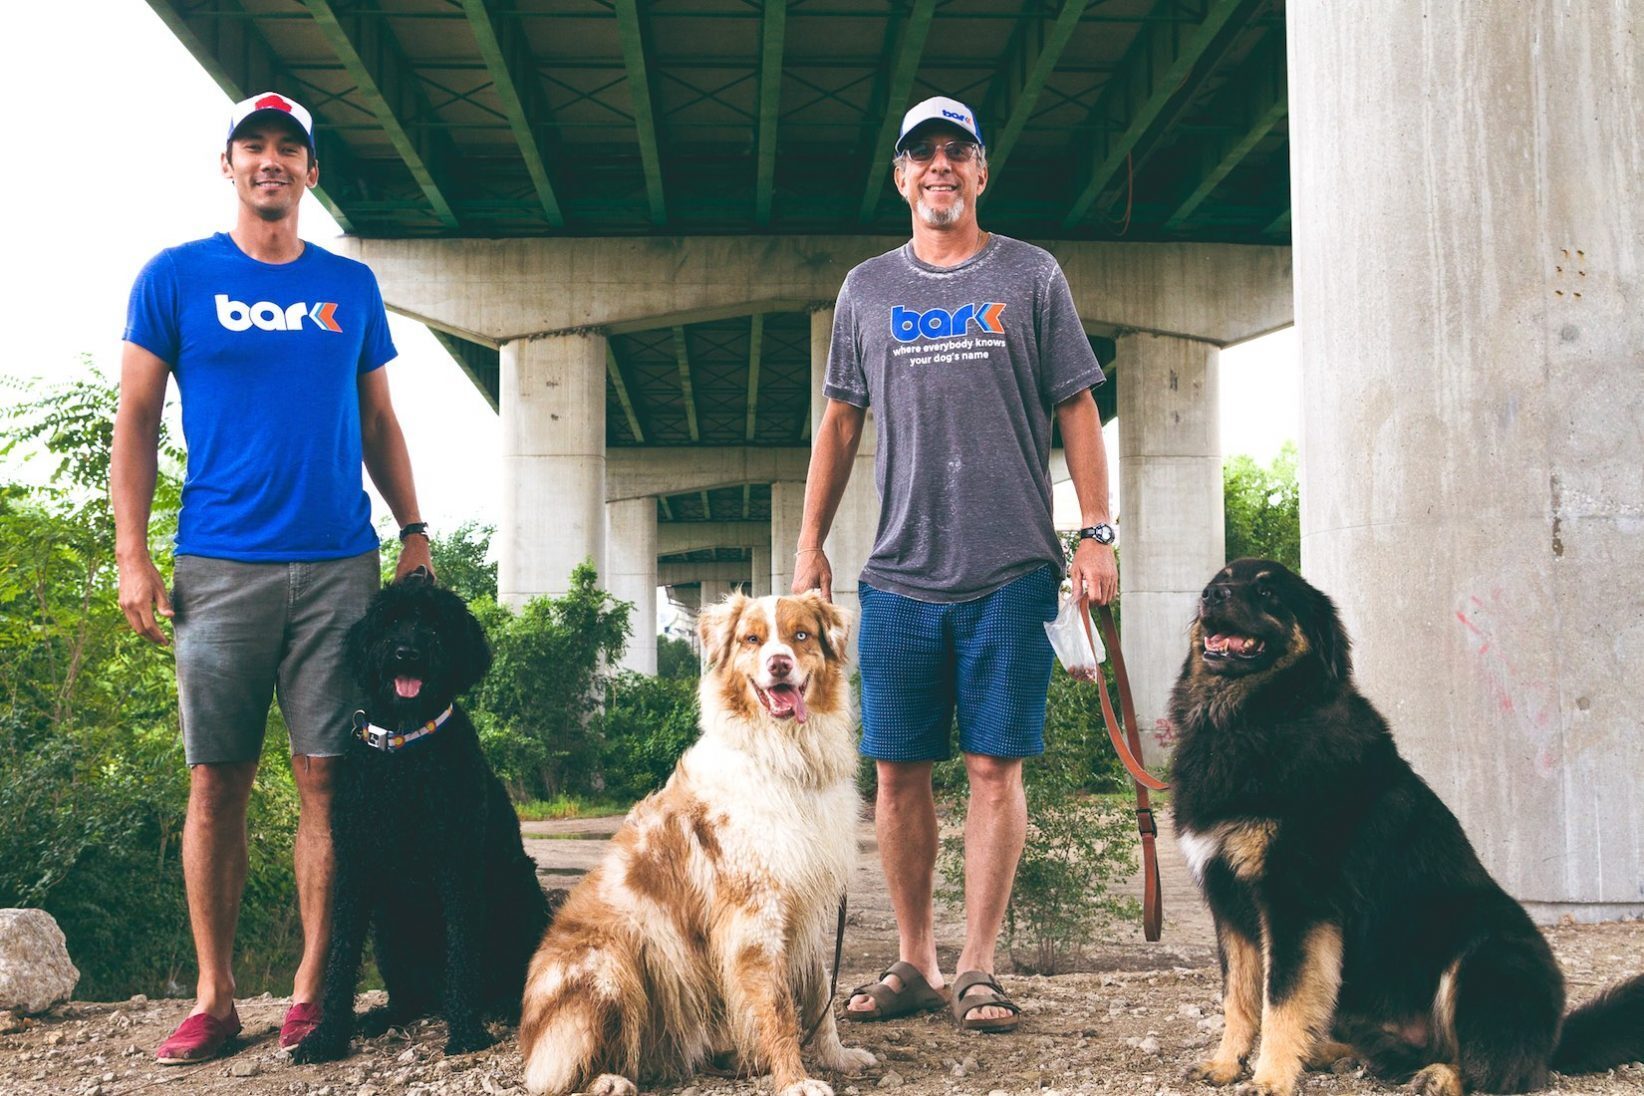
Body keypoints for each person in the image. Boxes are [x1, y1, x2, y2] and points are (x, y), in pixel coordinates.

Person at [111, 91, 434, 1064]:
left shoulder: (350, 284)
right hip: (217, 567)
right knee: (217, 780)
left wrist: (413, 527)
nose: (270, 162)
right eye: (253, 146)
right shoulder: (175, 278)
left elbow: (378, 419)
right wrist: (131, 550)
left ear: (310, 172)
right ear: (228, 165)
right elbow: (133, 419)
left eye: (288, 149)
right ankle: (213, 998)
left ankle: (310, 984)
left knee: (328, 779)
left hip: (341, 565)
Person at [793, 96, 1117, 1033]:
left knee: (991, 770)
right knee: (896, 774)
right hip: (898, 576)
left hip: (1012, 567)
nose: (939, 166)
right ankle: (913, 963)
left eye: (956, 152)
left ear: (980, 173)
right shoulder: (867, 290)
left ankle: (977, 966)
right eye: (921, 154)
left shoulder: (1031, 275)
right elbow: (841, 420)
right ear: (901, 177)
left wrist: (1095, 530)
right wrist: (811, 540)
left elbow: (1078, 407)